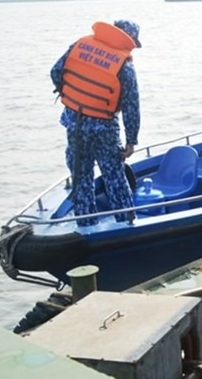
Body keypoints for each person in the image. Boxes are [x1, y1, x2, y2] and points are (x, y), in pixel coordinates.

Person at [50, 20, 141, 227]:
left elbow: (56, 72)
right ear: (130, 39)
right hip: (105, 130)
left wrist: (75, 100)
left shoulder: (79, 46)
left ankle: (86, 226)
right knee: (115, 179)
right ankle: (126, 224)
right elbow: (131, 107)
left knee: (81, 179)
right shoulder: (124, 67)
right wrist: (131, 141)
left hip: (75, 125)